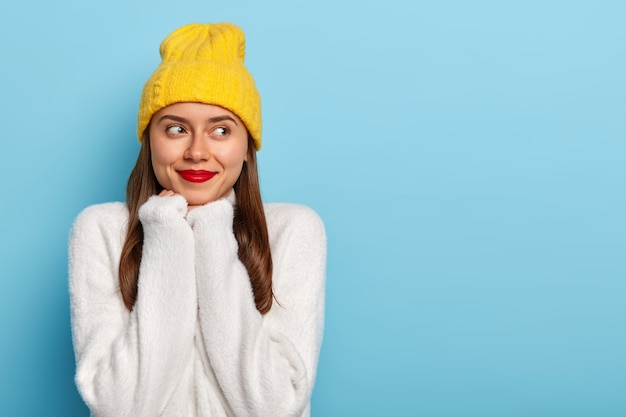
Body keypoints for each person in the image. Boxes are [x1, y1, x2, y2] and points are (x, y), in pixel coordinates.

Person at [68, 22, 326, 417]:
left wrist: (209, 229)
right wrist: (166, 232)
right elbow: (121, 406)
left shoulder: (292, 230)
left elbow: (275, 405)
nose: (197, 151)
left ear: (246, 148)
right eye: (176, 129)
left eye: (221, 130)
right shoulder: (101, 230)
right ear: (149, 140)